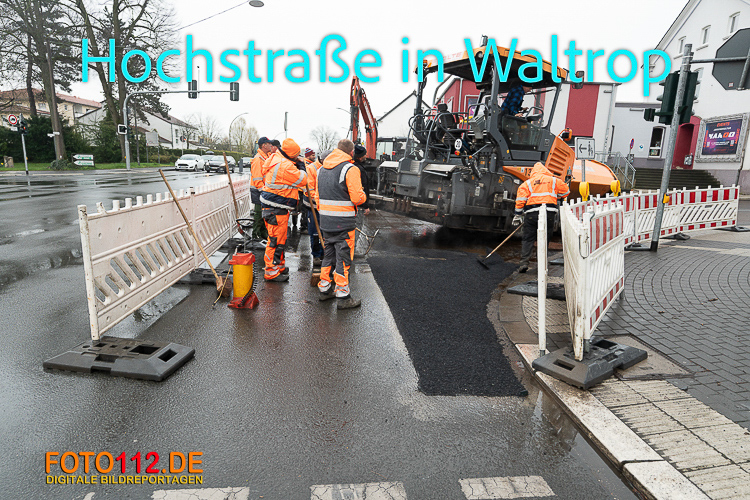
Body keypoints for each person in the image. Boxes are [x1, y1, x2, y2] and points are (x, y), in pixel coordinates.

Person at [314, 139, 366, 309]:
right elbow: (357, 198)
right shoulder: (350, 169)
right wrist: (364, 196)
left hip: (326, 222)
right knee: (343, 258)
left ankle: (325, 289)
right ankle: (343, 296)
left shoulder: (321, 170)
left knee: (328, 256)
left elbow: (317, 198)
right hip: (343, 223)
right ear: (351, 152)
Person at [259, 138, 307, 282]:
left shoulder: (275, 158)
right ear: (291, 155)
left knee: (280, 239)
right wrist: (302, 166)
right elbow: (303, 180)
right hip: (276, 207)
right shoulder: (285, 165)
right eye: (296, 155)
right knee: (275, 241)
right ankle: (271, 271)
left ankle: (278, 265)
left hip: (274, 206)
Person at [513, 162, 570, 273]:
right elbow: (566, 192)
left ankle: (524, 263)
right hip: (549, 213)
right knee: (545, 238)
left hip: (532, 214)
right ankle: (541, 264)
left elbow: (520, 200)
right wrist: (555, 194)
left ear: (533, 172)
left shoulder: (527, 183)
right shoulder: (554, 181)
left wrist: (518, 214)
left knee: (528, 238)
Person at [301, 148, 324, 267]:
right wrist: (321, 201)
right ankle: (316, 255)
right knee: (315, 232)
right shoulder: (311, 168)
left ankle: (323, 253)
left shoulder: (328, 167)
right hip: (313, 206)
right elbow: (309, 190)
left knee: (324, 232)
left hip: (324, 207)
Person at [249, 137, 272, 243]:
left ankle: (262, 233)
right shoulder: (258, 159)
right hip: (258, 190)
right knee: (258, 213)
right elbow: (257, 177)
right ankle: (256, 234)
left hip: (262, 190)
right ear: (264, 145)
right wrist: (262, 190)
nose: (271, 145)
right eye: (269, 144)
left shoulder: (264, 157)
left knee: (263, 213)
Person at [351, 144, 371, 255]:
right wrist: (366, 206)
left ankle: (350, 249)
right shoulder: (359, 169)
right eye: (364, 154)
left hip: (351, 204)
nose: (366, 156)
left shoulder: (351, 166)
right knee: (357, 226)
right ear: (360, 156)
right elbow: (363, 188)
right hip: (358, 204)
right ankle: (352, 250)